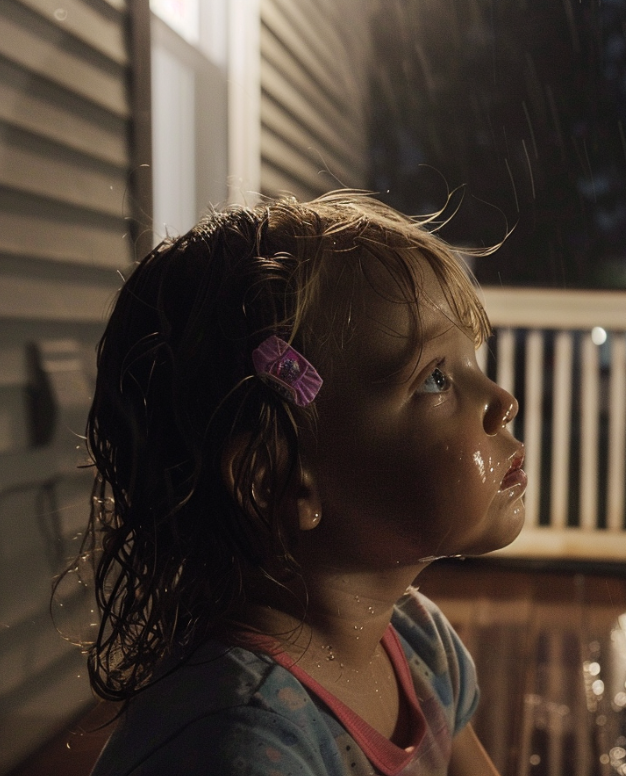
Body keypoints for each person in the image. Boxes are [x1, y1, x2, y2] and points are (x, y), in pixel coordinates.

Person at [75, 192, 527, 775]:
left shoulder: (418, 643)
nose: (503, 402)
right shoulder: (238, 743)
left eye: (472, 363)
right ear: (279, 481)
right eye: (435, 378)